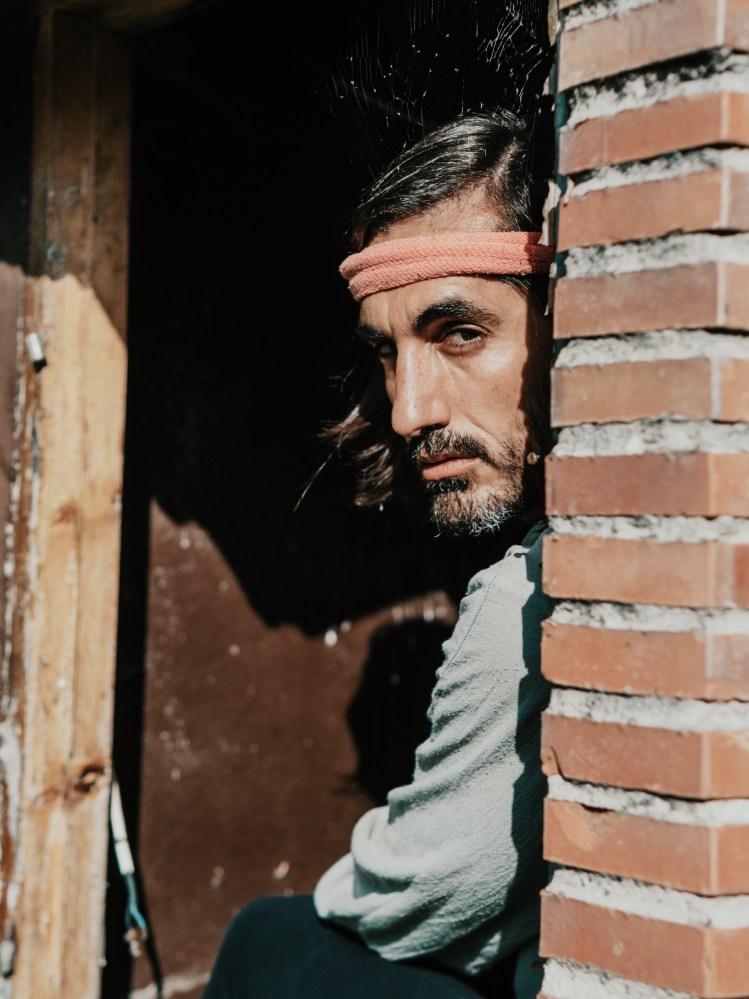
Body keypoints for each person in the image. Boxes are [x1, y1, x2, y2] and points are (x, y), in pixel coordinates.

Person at [203, 107, 554, 999]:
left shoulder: (533, 598)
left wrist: (341, 887)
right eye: (387, 353)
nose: (406, 411)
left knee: (268, 935)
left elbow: (420, 897)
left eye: (459, 332)